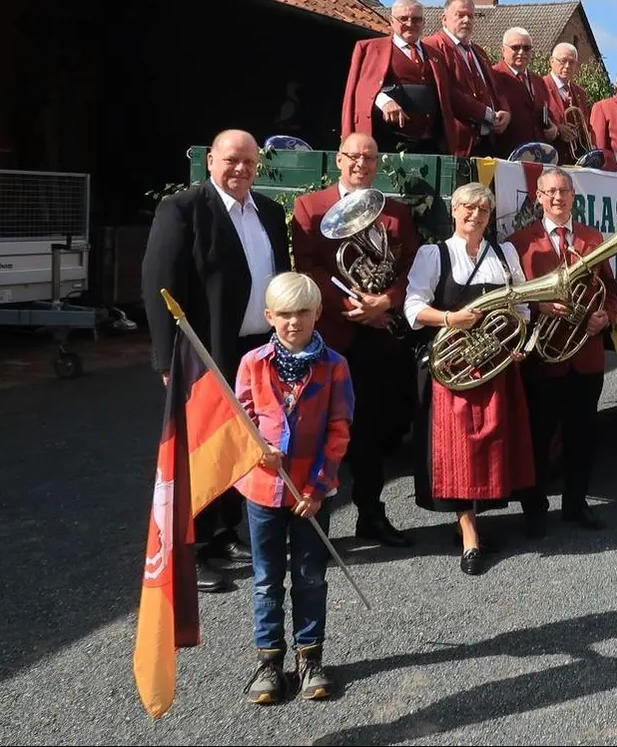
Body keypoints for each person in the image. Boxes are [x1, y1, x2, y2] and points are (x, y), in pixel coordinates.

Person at [142, 129, 290, 593]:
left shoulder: (267, 210)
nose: (241, 169)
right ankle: (192, 549)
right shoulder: (183, 210)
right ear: (210, 161)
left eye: (249, 161)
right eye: (231, 160)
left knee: (243, 443)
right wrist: (168, 362)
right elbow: (158, 287)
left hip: (257, 351)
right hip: (204, 354)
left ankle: (225, 533)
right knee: (199, 451)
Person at [289, 133, 418, 548]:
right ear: (338, 160)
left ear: (377, 163)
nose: (361, 163)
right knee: (321, 430)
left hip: (380, 336)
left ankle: (370, 513)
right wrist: (351, 303)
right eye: (353, 156)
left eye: (369, 157)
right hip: (338, 332)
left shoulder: (394, 211)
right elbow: (307, 266)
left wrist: (386, 301)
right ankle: (316, 528)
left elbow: (412, 262)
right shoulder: (310, 208)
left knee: (374, 430)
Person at [403, 182, 536, 575]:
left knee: (492, 444)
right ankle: (468, 535)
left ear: (489, 216)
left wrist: (519, 340)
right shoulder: (434, 254)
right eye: (467, 208)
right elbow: (412, 306)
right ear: (454, 211)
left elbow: (522, 305)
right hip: (455, 367)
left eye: (482, 210)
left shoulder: (505, 252)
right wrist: (449, 319)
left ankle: (482, 518)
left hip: (495, 363)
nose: (474, 215)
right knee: (458, 451)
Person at [234, 273, 350, 704]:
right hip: (264, 491)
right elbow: (239, 421)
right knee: (266, 578)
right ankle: (269, 660)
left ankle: (310, 655)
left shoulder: (334, 365)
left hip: (311, 492)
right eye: (283, 314)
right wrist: (254, 449)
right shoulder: (252, 363)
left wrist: (319, 487)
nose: (293, 322)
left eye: (302, 312)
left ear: (317, 313)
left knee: (309, 576)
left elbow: (338, 430)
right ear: (269, 316)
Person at [508, 168, 617, 535]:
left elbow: (611, 290)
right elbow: (512, 297)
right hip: (545, 357)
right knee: (538, 437)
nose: (558, 198)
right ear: (538, 197)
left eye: (564, 191)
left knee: (583, 435)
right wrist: (539, 308)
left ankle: (576, 503)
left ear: (574, 196)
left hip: (585, 355)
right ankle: (535, 508)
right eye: (550, 192)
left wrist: (605, 317)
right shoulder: (519, 241)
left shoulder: (592, 237)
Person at [341, 0, 459, 154]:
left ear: (424, 23)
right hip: (385, 143)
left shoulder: (436, 55)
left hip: (429, 144)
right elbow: (359, 89)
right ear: (391, 20)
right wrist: (383, 100)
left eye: (416, 19)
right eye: (403, 19)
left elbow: (449, 95)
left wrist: (487, 115)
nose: (410, 24)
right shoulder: (369, 48)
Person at [420, 0, 510, 158]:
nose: (466, 20)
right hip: (457, 143)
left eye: (470, 16)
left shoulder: (478, 52)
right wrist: (485, 113)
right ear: (444, 18)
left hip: (487, 142)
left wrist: (504, 111)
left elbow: (495, 87)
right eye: (460, 15)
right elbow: (446, 91)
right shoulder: (432, 47)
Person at [489, 27, 559, 155]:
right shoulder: (493, 76)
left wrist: (553, 128)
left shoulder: (539, 81)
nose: (521, 52)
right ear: (503, 50)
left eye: (526, 48)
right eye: (515, 48)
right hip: (506, 155)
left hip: (539, 157)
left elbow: (546, 113)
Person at [542, 43, 592, 163]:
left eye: (572, 62)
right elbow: (536, 118)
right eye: (563, 61)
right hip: (550, 157)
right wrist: (558, 129)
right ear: (551, 61)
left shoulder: (580, 92)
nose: (567, 66)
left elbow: (586, 125)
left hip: (575, 161)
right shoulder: (541, 85)